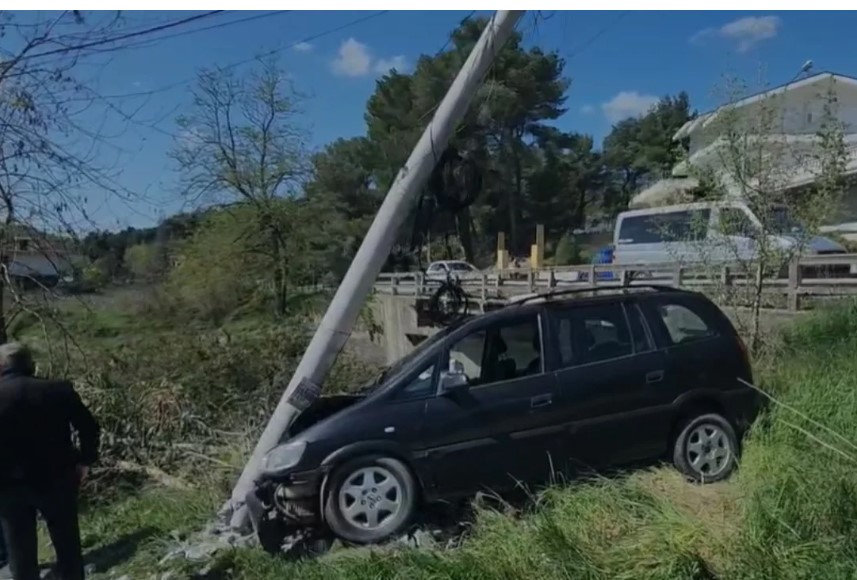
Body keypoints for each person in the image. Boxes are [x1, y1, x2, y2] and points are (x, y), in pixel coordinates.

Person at [0, 342, 100, 580]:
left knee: (19, 552)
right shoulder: (58, 389)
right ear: (30, 364)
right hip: (57, 478)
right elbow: (89, 427)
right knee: (68, 547)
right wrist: (85, 461)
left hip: (7, 485)